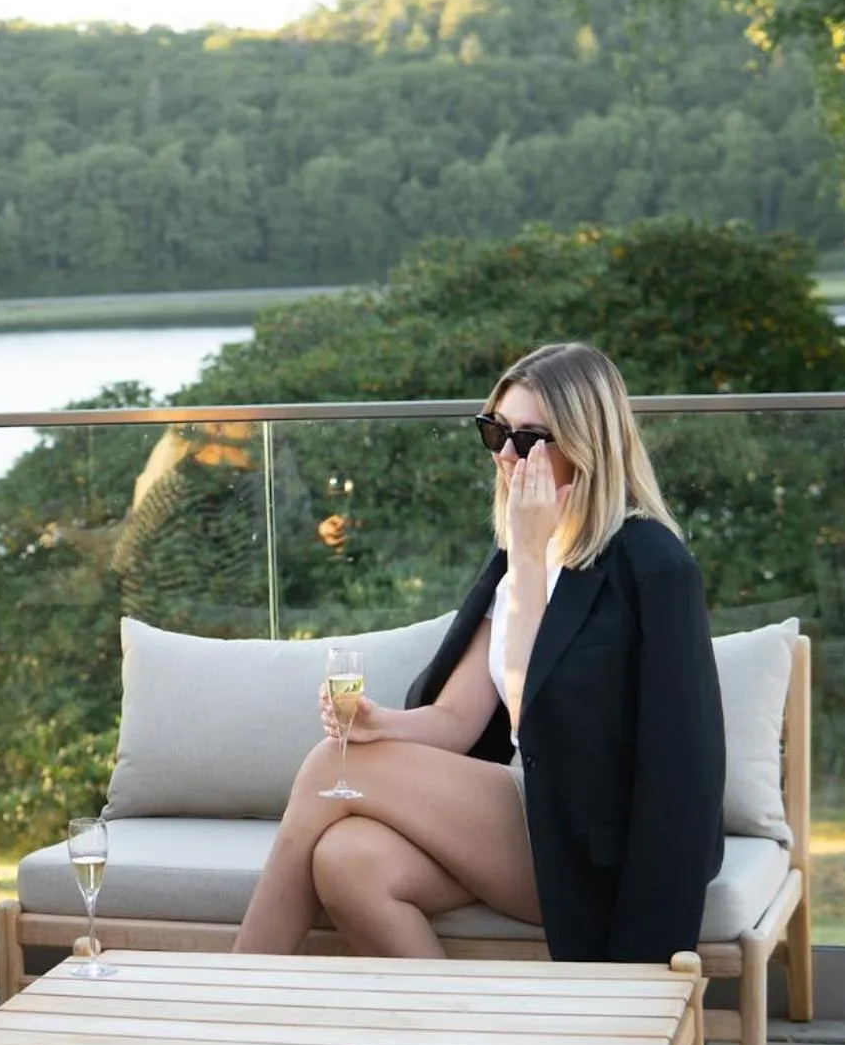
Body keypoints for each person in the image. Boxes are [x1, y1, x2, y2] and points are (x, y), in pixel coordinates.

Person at [233, 342, 726, 964]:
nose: (505, 455)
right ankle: (459, 1024)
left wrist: (528, 555)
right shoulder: (516, 558)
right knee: (347, 860)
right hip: (521, 812)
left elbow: (679, 768)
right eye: (495, 431)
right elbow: (458, 719)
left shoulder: (651, 564)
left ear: (587, 444)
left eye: (528, 439)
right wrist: (384, 725)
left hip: (594, 841)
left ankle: (233, 992)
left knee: (332, 764)